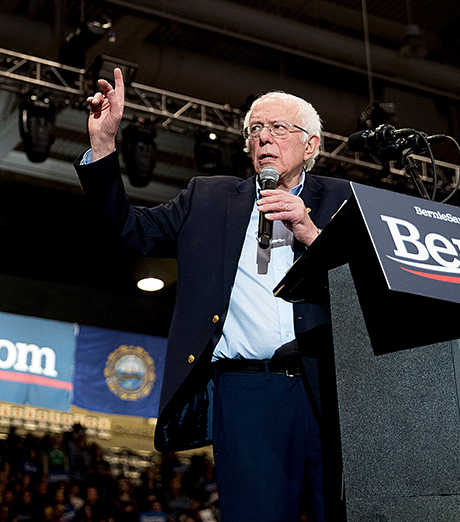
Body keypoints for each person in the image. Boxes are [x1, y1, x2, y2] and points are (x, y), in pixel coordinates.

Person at [76, 69, 353, 521]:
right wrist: (105, 147)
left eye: (279, 128)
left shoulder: (343, 199)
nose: (264, 138)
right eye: (255, 129)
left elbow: (365, 285)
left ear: (311, 145)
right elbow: (126, 233)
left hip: (329, 387)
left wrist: (308, 230)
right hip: (247, 393)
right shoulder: (207, 198)